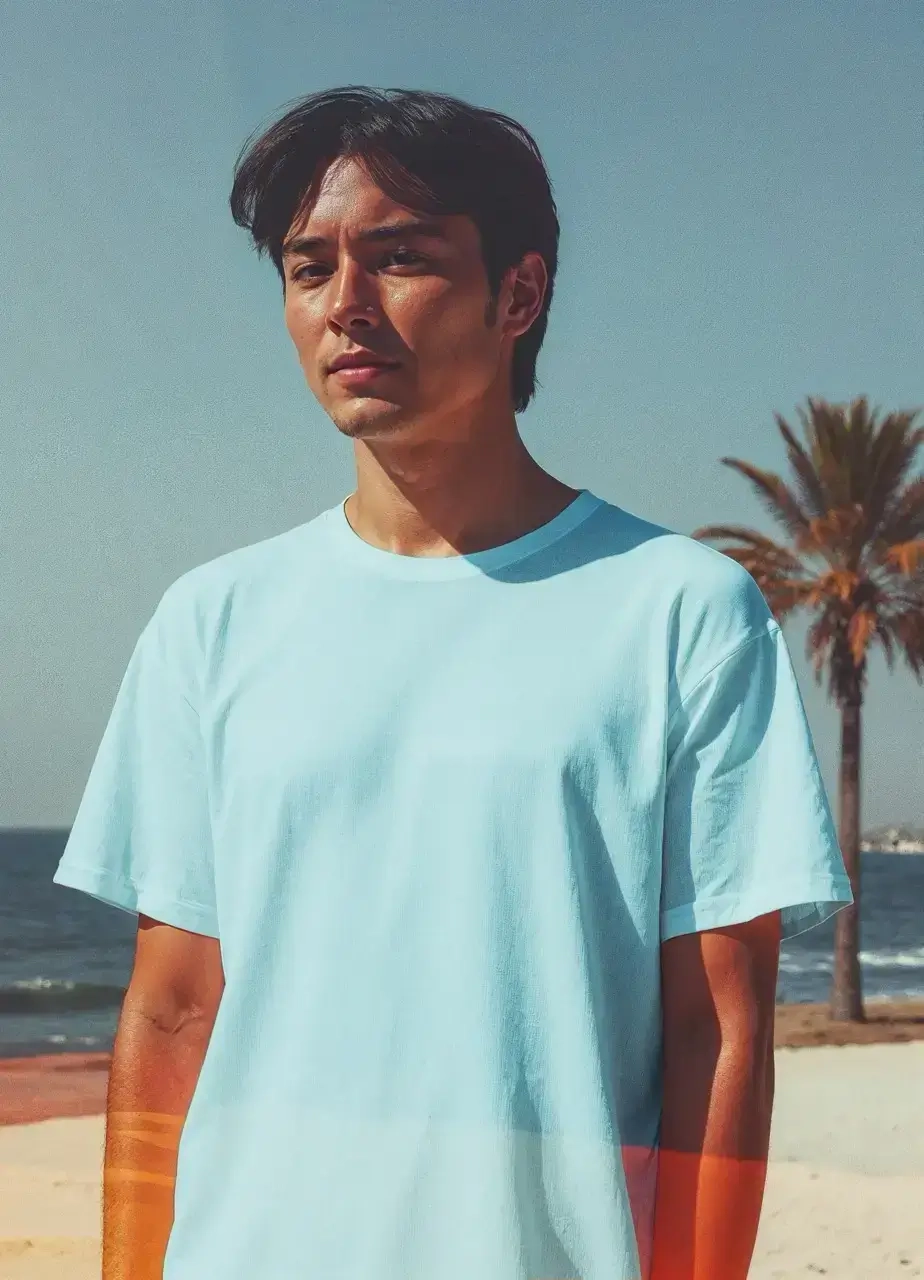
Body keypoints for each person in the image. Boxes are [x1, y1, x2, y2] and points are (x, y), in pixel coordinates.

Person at [53, 86, 853, 1280]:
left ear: (518, 294)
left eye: (400, 258)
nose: (345, 305)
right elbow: (171, 1011)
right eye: (308, 268)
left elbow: (718, 1028)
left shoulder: (680, 610)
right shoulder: (210, 621)